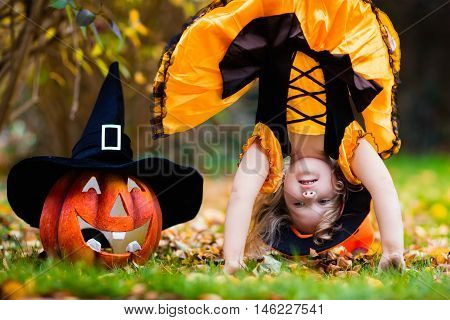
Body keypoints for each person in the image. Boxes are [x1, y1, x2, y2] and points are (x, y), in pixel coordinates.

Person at [149, 0, 405, 273]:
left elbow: (240, 195)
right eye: (322, 200)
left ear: (282, 192)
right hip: (334, 19)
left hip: (274, 13)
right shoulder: (349, 145)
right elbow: (382, 187)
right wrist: (392, 250)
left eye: (298, 203)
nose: (309, 193)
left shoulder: (268, 148)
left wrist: (233, 261)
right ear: (339, 188)